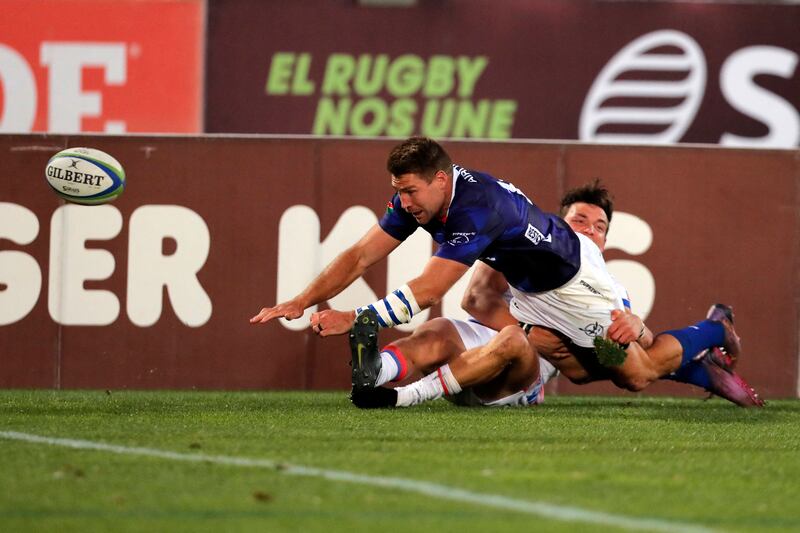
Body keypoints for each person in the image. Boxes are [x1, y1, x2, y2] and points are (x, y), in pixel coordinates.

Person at [250, 137, 760, 408]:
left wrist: (360, 317)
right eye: (398, 191)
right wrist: (301, 298)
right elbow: (361, 254)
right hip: (531, 292)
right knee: (581, 369)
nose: (403, 203)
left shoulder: (477, 208)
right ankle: (701, 363)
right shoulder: (426, 199)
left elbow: (431, 288)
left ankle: (715, 328)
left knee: (637, 374)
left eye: (410, 192)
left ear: (442, 180)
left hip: (571, 286)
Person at [347, 180, 763, 408]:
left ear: (604, 241)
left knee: (626, 368)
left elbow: (631, 352)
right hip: (498, 336)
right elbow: (475, 300)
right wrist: (533, 325)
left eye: (599, 227)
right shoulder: (520, 245)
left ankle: (711, 332)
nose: (588, 229)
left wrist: (635, 326)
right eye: (578, 220)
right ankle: (374, 374)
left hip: (522, 361)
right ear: (557, 226)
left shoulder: (606, 285)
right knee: (437, 328)